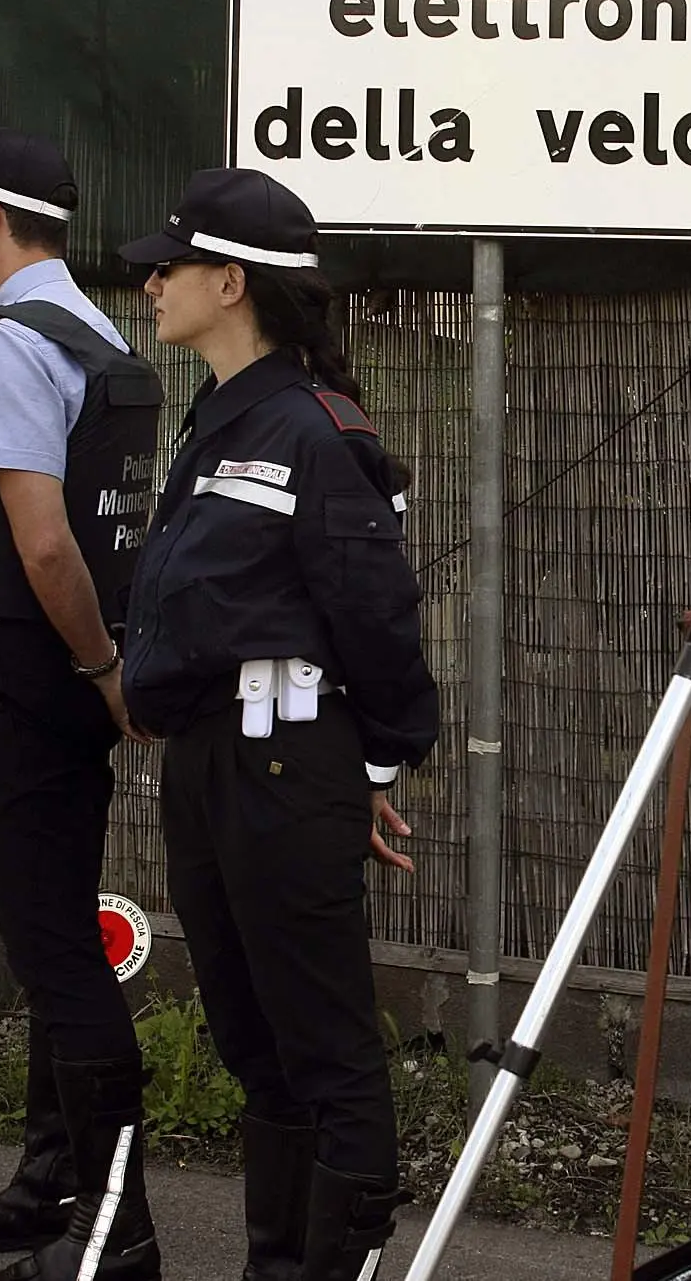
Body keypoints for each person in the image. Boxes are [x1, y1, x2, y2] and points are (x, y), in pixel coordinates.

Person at [115, 168, 439, 1281]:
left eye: (169, 265)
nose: (151, 282)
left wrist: (376, 763)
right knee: (252, 1039)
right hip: (210, 763)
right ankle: (275, 1262)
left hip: (289, 762)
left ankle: (333, 1261)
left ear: (231, 279)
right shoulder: (218, 417)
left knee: (323, 1043)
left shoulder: (314, 430)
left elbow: (376, 614)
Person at [0, 127, 166, 1281]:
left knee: (55, 950)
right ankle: (50, 1184)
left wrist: (100, 666)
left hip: (24, 668)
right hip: (70, 674)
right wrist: (102, 669)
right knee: (58, 925)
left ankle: (114, 1233)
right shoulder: (103, 335)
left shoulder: (9, 344)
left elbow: (47, 542)